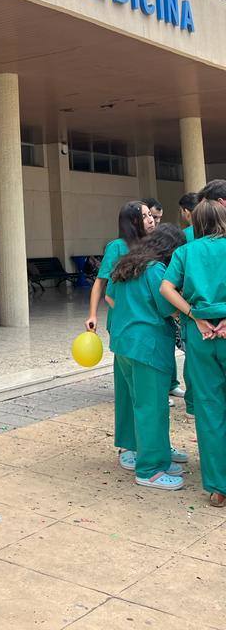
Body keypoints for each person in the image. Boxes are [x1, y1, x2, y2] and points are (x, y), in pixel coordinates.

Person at [107, 224, 188, 490]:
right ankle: (150, 469)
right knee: (153, 408)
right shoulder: (155, 270)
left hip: (124, 343)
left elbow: (111, 299)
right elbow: (168, 307)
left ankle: (158, 456)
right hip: (148, 346)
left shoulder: (125, 266)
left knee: (140, 404)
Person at [160, 198, 226, 507]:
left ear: (195, 223)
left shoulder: (185, 252)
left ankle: (218, 487)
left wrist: (194, 315)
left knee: (209, 408)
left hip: (200, 335)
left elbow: (166, 288)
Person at [85, 201, 155, 333]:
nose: (151, 220)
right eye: (144, 216)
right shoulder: (116, 246)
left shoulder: (153, 245)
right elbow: (100, 283)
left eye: (150, 215)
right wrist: (92, 315)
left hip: (148, 316)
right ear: (133, 222)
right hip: (123, 317)